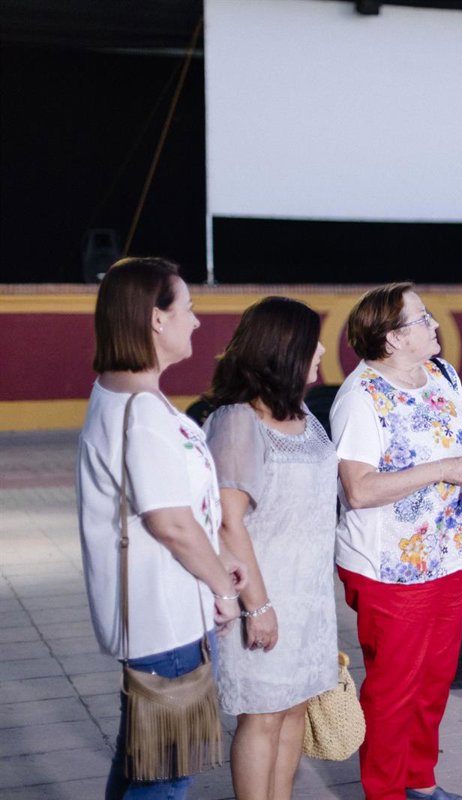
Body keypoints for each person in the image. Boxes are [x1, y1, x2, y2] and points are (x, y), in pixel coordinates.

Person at [77, 257, 244, 800]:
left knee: (141, 762)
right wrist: (223, 589)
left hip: (153, 614)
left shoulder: (119, 393)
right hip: (167, 620)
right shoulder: (142, 409)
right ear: (156, 318)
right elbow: (170, 522)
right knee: (165, 778)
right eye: (188, 308)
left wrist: (219, 558)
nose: (195, 321)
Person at [330, 283, 462, 800]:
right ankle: (384, 792)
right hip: (390, 566)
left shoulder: (442, 374)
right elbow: (359, 490)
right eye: (423, 318)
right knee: (393, 689)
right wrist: (441, 469)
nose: (434, 324)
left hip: (447, 554)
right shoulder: (361, 398)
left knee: (433, 680)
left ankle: (420, 782)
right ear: (392, 338)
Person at [203, 297, 339, 800]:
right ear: (283, 349)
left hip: (309, 599)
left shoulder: (305, 417)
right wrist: (257, 606)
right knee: (261, 716)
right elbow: (228, 522)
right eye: (311, 342)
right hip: (262, 593)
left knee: (295, 706)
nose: (321, 350)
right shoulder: (237, 420)